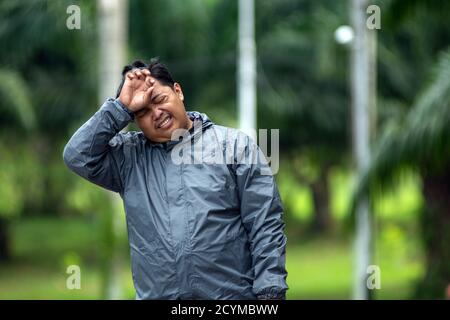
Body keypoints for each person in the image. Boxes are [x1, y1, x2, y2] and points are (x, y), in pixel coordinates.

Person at [63, 59, 288, 300]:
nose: (156, 114)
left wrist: (270, 293)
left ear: (178, 91)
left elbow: (265, 224)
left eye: (159, 100)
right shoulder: (128, 159)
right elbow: (77, 155)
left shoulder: (235, 147)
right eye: (143, 112)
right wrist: (120, 107)